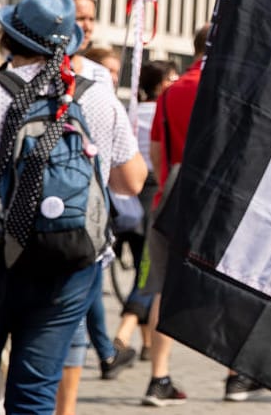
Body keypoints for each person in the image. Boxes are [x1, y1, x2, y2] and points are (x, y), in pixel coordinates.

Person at [0, 0, 147, 415]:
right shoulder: (96, 95)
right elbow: (132, 181)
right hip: (68, 261)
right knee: (36, 394)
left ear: (11, 37)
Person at [142, 26, 259, 405]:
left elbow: (157, 155)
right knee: (231, 285)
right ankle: (234, 376)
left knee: (163, 286)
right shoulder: (232, 88)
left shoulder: (172, 90)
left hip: (171, 194)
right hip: (221, 199)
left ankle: (158, 378)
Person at [111, 60, 178, 364]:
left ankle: (148, 345)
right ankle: (123, 334)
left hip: (123, 195)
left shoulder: (130, 112)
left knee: (143, 267)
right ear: (161, 84)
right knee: (148, 273)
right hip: (153, 190)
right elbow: (159, 155)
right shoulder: (165, 110)